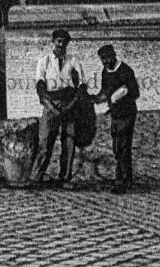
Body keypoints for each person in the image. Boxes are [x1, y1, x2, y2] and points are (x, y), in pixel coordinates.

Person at [31, 28, 84, 185]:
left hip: (69, 104)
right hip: (50, 103)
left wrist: (71, 105)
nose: (61, 45)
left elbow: (81, 86)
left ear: (68, 43)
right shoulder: (44, 61)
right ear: (53, 42)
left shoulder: (73, 61)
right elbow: (40, 86)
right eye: (59, 41)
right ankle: (36, 177)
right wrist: (51, 106)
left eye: (64, 42)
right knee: (45, 141)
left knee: (69, 142)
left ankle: (65, 177)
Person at [93, 43, 139, 193]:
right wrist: (93, 98)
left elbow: (135, 92)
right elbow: (105, 92)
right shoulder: (105, 72)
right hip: (115, 114)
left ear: (114, 55)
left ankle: (122, 181)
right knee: (117, 147)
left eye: (107, 58)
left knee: (123, 146)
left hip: (127, 113)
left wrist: (120, 95)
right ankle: (125, 179)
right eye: (102, 59)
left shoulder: (125, 71)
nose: (105, 61)